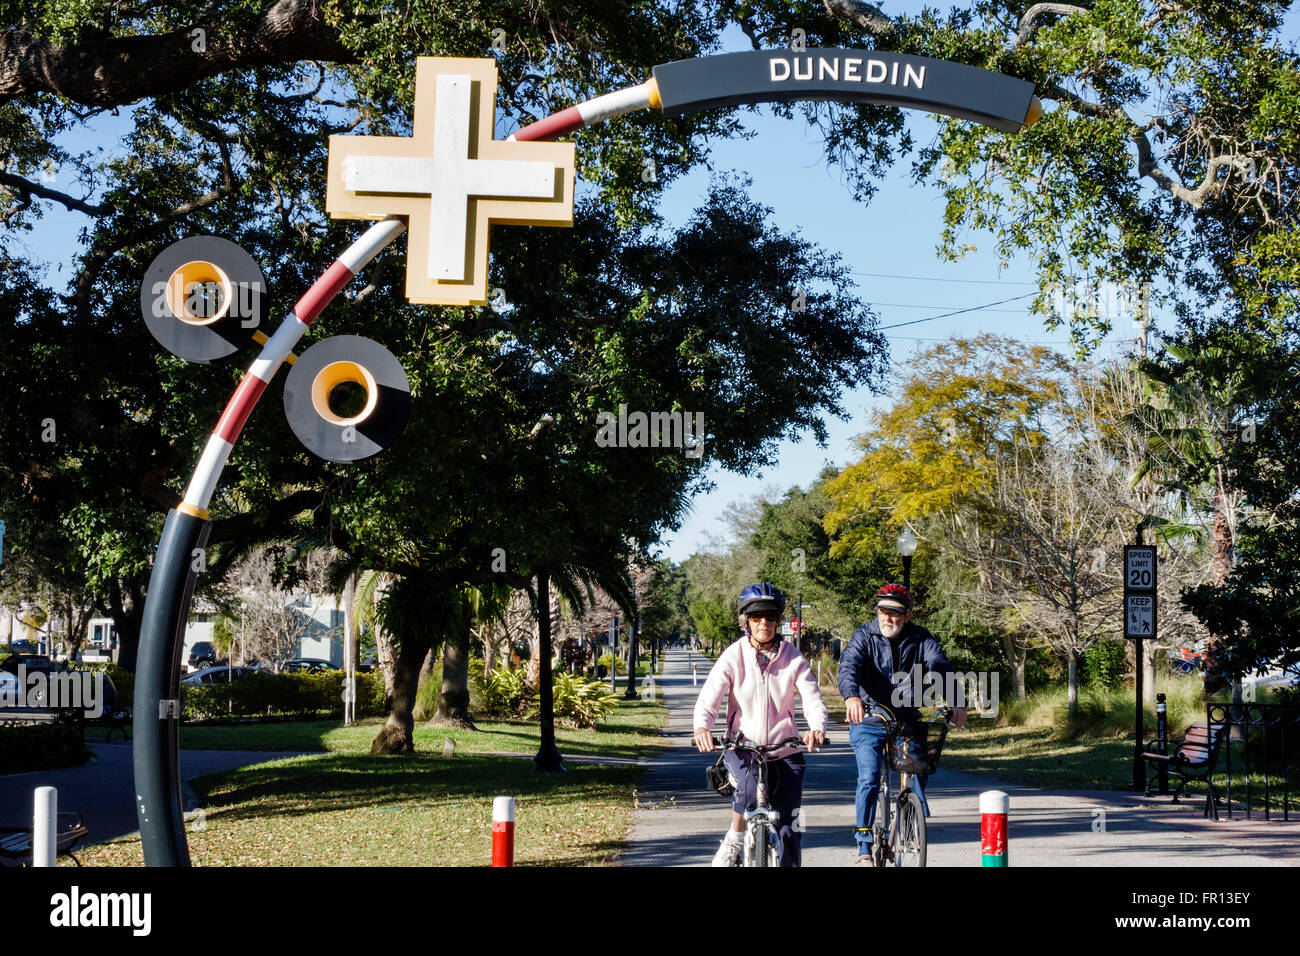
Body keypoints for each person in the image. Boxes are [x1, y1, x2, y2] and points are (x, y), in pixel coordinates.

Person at [693, 582, 828, 867]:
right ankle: (735, 837)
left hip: (785, 750)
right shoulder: (734, 655)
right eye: (756, 617)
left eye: (770, 616)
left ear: (778, 620)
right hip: (744, 747)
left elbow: (812, 698)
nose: (763, 622)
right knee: (749, 787)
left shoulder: (793, 658)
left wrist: (816, 727)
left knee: (791, 828)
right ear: (746, 621)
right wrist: (702, 728)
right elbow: (710, 696)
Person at [838, 583, 967, 865]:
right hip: (869, 716)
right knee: (869, 777)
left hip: (906, 717)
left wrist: (956, 699)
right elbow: (848, 666)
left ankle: (911, 820)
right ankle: (863, 846)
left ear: (907, 615)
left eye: (895, 613)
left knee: (918, 768)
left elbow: (939, 665)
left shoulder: (921, 639)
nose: (888, 618)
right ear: (877, 611)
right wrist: (851, 697)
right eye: (883, 611)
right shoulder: (864, 636)